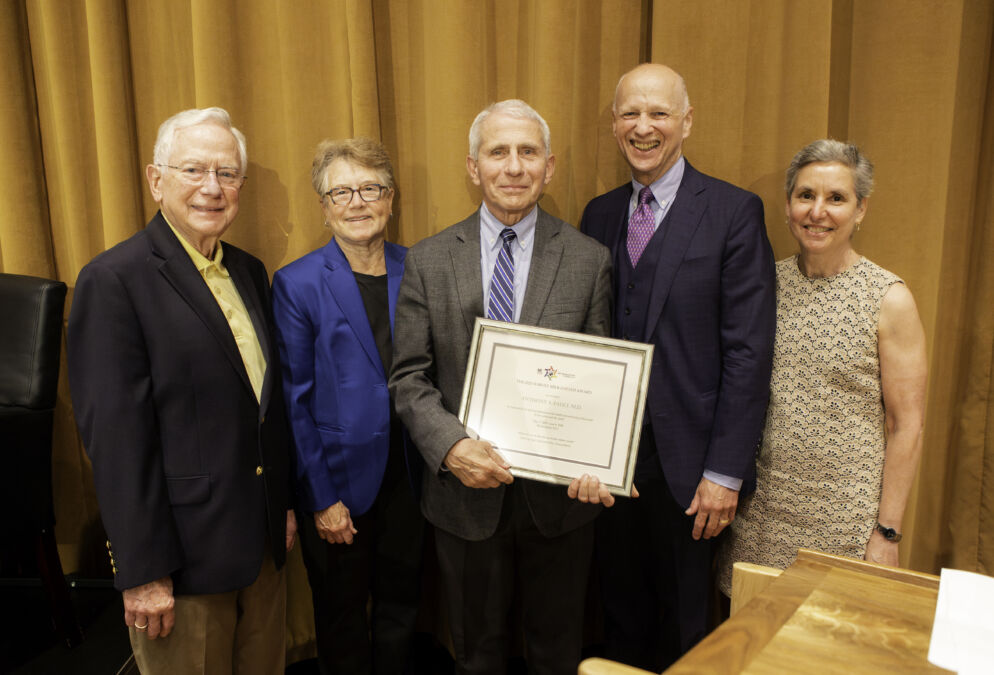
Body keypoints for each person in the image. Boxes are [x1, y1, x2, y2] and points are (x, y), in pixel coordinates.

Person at [67, 107, 296, 674]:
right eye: (194, 170)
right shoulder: (114, 280)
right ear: (156, 179)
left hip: (262, 551)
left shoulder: (249, 270)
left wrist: (282, 506)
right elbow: (116, 440)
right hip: (182, 566)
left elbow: (264, 409)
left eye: (227, 173)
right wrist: (144, 571)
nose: (212, 188)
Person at [389, 99, 613, 674]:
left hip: (561, 504)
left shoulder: (590, 260)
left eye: (528, 152)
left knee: (557, 653)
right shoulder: (430, 260)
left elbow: (601, 379)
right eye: (498, 152)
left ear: (550, 165)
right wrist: (451, 447)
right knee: (477, 655)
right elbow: (409, 377)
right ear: (473, 167)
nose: (514, 167)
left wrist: (598, 458)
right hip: (465, 498)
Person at [579, 63, 776, 670]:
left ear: (686, 122)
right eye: (630, 114)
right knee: (618, 614)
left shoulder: (733, 211)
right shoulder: (599, 213)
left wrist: (725, 472)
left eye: (659, 113)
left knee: (687, 626)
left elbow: (749, 352)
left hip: (694, 473)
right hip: (613, 470)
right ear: (613, 124)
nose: (644, 127)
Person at [718, 140, 928, 590]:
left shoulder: (889, 299)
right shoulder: (763, 283)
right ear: (789, 204)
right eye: (806, 195)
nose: (818, 212)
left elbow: (906, 424)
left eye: (836, 198)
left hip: (844, 524)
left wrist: (887, 532)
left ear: (860, 210)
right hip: (760, 516)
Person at [272, 138, 424, 674]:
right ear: (324, 205)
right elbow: (293, 401)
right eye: (342, 192)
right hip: (338, 482)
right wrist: (321, 497)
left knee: (403, 607)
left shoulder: (421, 268)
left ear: (390, 198)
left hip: (413, 475)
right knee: (340, 616)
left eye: (370, 188)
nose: (357, 202)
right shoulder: (298, 283)